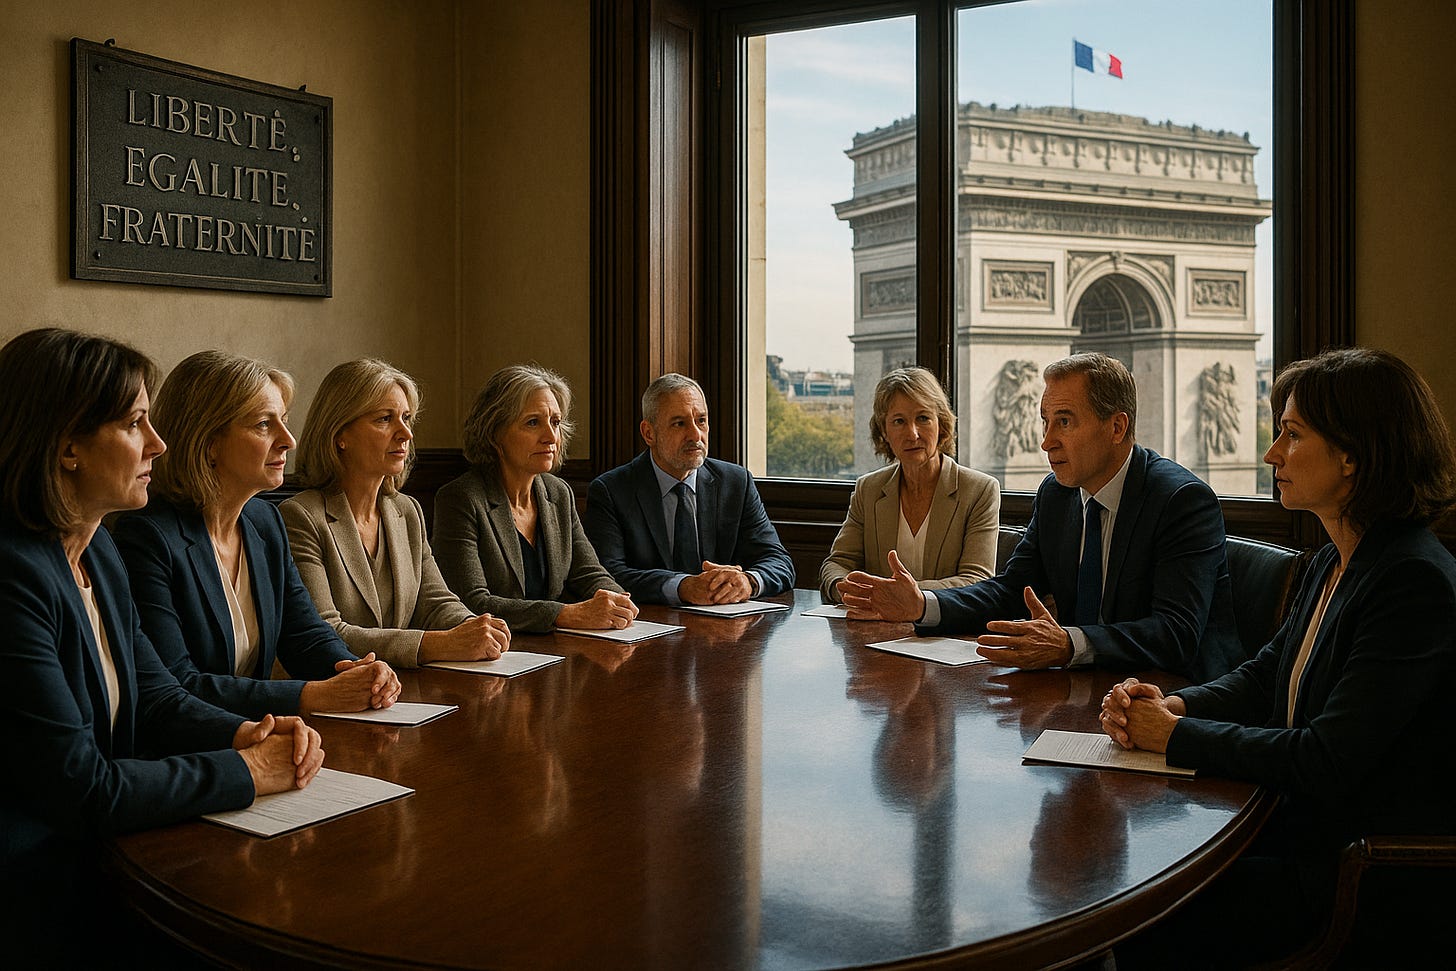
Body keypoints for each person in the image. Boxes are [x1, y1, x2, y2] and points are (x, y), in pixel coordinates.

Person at [1099, 348, 1456, 967]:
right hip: (1295, 830)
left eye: (1292, 435)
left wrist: (1174, 736)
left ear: (1353, 454)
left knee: (1135, 907)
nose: (1271, 454)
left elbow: (1325, 758)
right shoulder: (1334, 557)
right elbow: (1268, 674)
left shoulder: (1412, 582)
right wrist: (1176, 704)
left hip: (1354, 876)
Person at [0, 329, 323, 963]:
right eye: (134, 424)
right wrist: (247, 770)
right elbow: (82, 788)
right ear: (66, 446)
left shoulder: (99, 547)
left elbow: (156, 696)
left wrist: (246, 733)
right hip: (34, 889)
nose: (158, 443)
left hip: (106, 856)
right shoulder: (14, 575)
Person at [840, 352, 1241, 683]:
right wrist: (922, 605)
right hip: (1088, 688)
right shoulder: (1056, 494)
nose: (1047, 441)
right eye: (1045, 422)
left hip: (1177, 697)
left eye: (1064, 421)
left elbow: (1175, 633)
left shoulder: (1181, 500)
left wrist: (1068, 644)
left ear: (1117, 427)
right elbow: (1009, 591)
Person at [113, 350, 401, 720]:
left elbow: (304, 635)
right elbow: (178, 683)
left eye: (284, 421)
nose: (288, 440)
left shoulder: (264, 521)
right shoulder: (147, 536)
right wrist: (311, 696)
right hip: (197, 743)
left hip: (265, 734)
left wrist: (357, 672)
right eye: (264, 424)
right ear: (208, 441)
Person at [280, 359, 511, 666]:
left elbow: (435, 603)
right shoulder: (300, 516)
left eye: (406, 418)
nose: (405, 434)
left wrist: (474, 627)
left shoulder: (407, 510)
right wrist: (436, 644)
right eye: (385, 419)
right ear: (339, 434)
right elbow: (327, 632)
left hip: (402, 685)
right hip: (340, 685)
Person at [433, 364, 638, 633]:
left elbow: (589, 573)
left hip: (557, 647)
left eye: (555, 422)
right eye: (533, 423)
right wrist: (564, 614)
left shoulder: (558, 493)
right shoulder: (461, 499)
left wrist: (616, 601)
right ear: (494, 434)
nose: (551, 437)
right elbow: (471, 601)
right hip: (497, 650)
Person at [585, 373, 795, 605]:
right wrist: (682, 586)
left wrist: (748, 581)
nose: (695, 435)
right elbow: (607, 574)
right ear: (649, 433)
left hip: (727, 623)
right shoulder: (611, 491)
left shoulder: (736, 483)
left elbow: (779, 562)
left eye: (701, 420)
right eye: (679, 423)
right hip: (647, 622)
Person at [820, 367, 999, 604]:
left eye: (923, 418)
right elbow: (837, 563)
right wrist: (843, 587)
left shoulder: (979, 490)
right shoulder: (869, 489)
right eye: (899, 421)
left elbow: (977, 579)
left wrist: (899, 594)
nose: (912, 434)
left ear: (942, 424)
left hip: (945, 625)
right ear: (884, 432)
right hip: (874, 620)